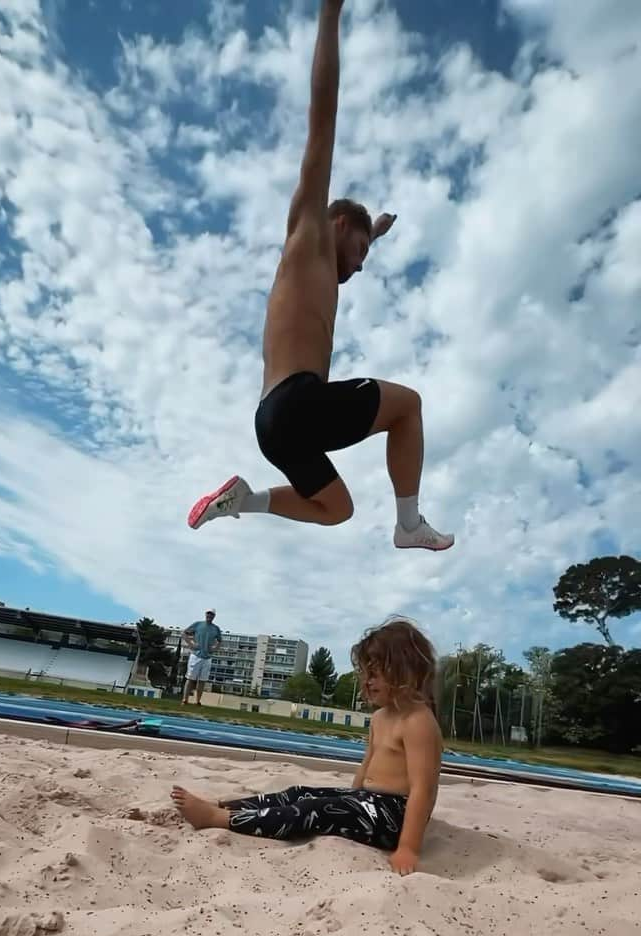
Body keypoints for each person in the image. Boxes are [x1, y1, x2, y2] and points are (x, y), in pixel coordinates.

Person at [188, 0, 453, 554]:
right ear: (332, 223)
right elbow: (323, 114)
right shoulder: (307, 231)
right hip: (295, 403)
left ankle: (244, 499)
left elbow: (350, 254)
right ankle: (409, 524)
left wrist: (372, 235)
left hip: (275, 425)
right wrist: (330, 16)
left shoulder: (323, 270)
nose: (357, 266)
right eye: (356, 250)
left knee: (336, 509)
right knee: (408, 405)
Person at [172, 617, 442, 875]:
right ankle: (224, 806)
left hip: (393, 818)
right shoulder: (380, 717)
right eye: (365, 673)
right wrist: (348, 798)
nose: (367, 681)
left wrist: (408, 847)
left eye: (375, 673)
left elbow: (423, 790)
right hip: (367, 802)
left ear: (404, 672)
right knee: (299, 793)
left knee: (313, 811)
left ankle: (217, 819)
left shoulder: (418, 721)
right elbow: (367, 766)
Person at [182, 609, 222, 706]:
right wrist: (190, 644)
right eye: (208, 613)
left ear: (214, 616)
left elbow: (219, 640)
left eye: (212, 614)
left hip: (207, 657)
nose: (210, 616)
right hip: (196, 655)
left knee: (202, 681)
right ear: (205, 614)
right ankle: (185, 699)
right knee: (190, 678)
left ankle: (198, 701)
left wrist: (215, 648)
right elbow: (184, 633)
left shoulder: (216, 628)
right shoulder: (198, 624)